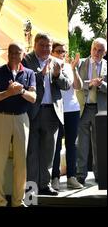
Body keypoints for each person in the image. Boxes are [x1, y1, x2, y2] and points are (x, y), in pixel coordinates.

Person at [0, 43, 36, 207]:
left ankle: (18, 201)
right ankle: (0, 201)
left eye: (17, 52)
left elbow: (33, 98)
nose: (14, 55)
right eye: (11, 52)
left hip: (22, 119)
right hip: (1, 118)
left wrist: (21, 91)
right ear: (7, 54)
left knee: (21, 162)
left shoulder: (29, 73)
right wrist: (9, 92)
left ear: (23, 54)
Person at [22, 33, 71, 196]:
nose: (45, 48)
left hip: (52, 112)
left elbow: (66, 85)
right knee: (32, 153)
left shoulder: (56, 61)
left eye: (48, 45)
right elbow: (23, 81)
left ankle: (45, 185)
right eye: (42, 45)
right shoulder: (27, 60)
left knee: (48, 152)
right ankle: (31, 190)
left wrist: (57, 75)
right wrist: (41, 74)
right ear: (35, 45)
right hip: (34, 112)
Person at [50, 43, 84, 190]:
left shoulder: (70, 67)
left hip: (72, 110)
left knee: (71, 144)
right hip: (56, 110)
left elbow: (78, 86)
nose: (62, 54)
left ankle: (71, 177)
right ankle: (55, 178)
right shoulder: (49, 67)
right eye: (58, 51)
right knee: (56, 145)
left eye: (64, 51)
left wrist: (74, 68)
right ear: (52, 52)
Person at [76, 38, 107, 185]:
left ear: (105, 52)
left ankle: (100, 175)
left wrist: (101, 85)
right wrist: (90, 84)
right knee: (81, 143)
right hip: (83, 107)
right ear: (90, 49)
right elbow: (76, 85)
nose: (96, 52)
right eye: (94, 49)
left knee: (99, 144)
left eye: (100, 50)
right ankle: (80, 175)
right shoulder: (81, 63)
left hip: (100, 109)